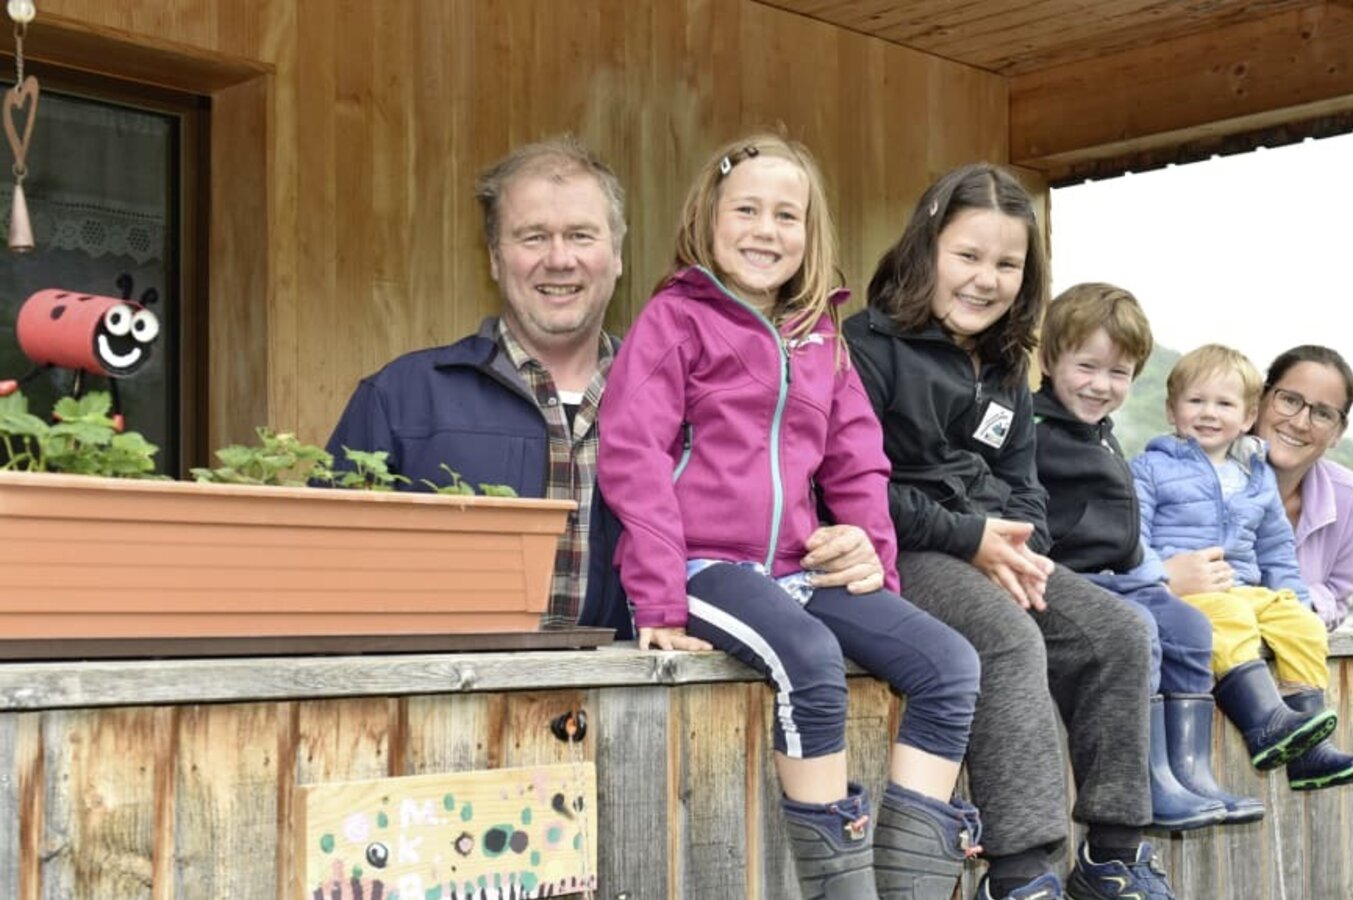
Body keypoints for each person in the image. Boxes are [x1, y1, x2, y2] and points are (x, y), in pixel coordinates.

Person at [596, 133, 984, 900]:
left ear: (811, 235)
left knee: (949, 665)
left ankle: (909, 884)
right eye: (746, 210)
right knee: (808, 657)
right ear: (708, 217)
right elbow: (631, 455)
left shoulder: (821, 339)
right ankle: (842, 890)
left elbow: (858, 460)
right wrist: (658, 595)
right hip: (702, 564)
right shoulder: (675, 320)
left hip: (797, 570)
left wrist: (873, 559)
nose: (765, 231)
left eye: (787, 215)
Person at [325, 136, 893, 640]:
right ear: (494, 259)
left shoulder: (699, 390)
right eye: (532, 237)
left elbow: (781, 517)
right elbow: (323, 575)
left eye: (581, 235)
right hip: (457, 722)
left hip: (649, 717)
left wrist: (854, 550)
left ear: (618, 256)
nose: (560, 259)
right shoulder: (402, 398)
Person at [844, 166, 1177, 900]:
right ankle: (1022, 872)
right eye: (968, 256)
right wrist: (972, 538)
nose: (986, 279)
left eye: (1007, 263)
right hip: (905, 551)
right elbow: (858, 488)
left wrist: (1018, 551)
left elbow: (1026, 485)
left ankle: (1113, 857)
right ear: (928, 246)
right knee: (1006, 637)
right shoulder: (866, 346)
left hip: (995, 550)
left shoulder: (1004, 362)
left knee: (1120, 631)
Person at [1032, 283, 1251, 827]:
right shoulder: (1033, 431)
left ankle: (1189, 771)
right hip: (1070, 581)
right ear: (1048, 357)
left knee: (1191, 629)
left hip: (1119, 576)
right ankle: (1151, 777)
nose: (1101, 386)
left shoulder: (1100, 434)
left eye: (1119, 373)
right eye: (1087, 366)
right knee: (1142, 629)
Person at [1129, 344, 1353, 794]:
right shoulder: (1151, 468)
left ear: (1245, 414)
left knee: (1301, 624)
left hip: (1242, 587)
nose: (1208, 413)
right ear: (1171, 409)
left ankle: (1310, 750)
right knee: (1231, 617)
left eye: (1223, 404)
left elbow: (1277, 549)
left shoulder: (1251, 476)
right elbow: (1130, 539)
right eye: (1195, 402)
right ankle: (1264, 720)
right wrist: (1161, 574)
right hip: (1187, 594)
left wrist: (1294, 605)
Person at [1252, 344, 1353, 789]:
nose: (1300, 422)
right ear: (1260, 398)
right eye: (1289, 400)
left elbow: (1339, 599)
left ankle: (1312, 755)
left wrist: (1289, 603)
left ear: (1338, 431)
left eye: (1322, 413)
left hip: (1295, 689)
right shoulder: (1198, 474)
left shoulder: (1352, 499)